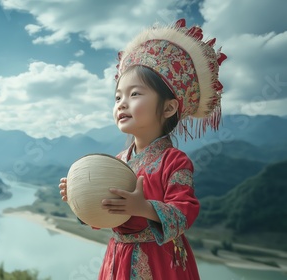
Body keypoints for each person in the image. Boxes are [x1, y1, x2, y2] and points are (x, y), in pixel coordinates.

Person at [59, 18, 227, 280]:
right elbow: (105, 215)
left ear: (169, 107)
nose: (122, 104)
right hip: (117, 257)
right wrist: (80, 198)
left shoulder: (174, 161)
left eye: (135, 94)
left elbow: (184, 212)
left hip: (161, 261)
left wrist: (144, 207)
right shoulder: (116, 162)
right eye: (118, 97)